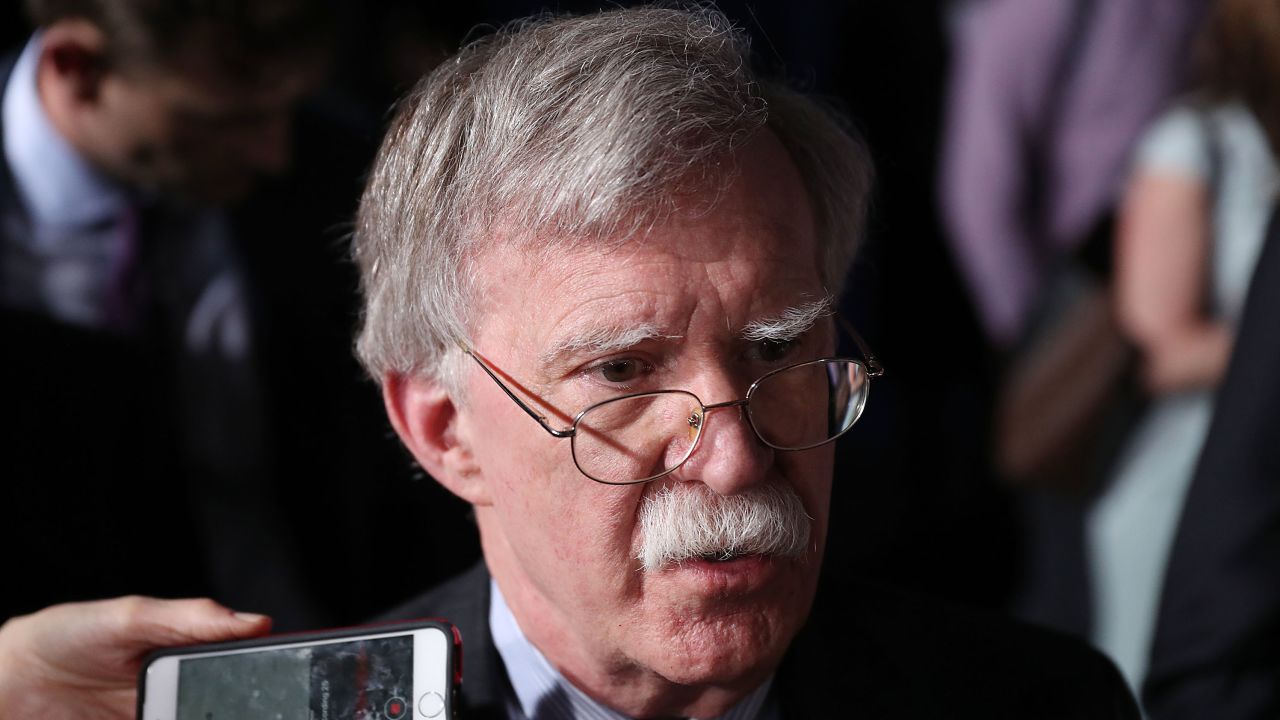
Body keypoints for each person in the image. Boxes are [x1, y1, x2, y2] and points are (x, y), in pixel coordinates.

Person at [0, 7, 1139, 718]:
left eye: (778, 347)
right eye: (623, 372)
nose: (734, 457)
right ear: (443, 431)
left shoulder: (1036, 700)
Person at [0, 0, 455, 630]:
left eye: (284, 109)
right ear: (76, 67)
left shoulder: (342, 170)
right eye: (223, 121)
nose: (272, 152)